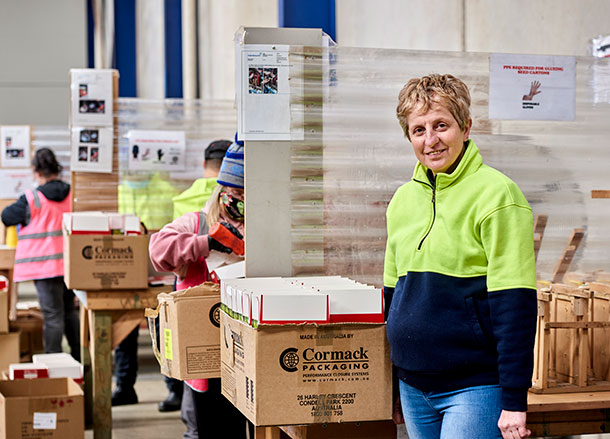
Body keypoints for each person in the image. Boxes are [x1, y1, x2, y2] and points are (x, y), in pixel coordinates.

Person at [384, 74, 537, 439]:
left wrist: (514, 400)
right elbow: (391, 298)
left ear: (466, 127)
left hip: (474, 387)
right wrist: (388, 386)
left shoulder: (498, 196)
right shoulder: (402, 200)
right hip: (412, 385)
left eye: (441, 125)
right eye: (418, 129)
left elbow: (514, 303)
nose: (431, 140)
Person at [150, 141, 251, 439]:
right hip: (205, 358)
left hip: (248, 356)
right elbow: (158, 250)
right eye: (234, 196)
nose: (239, 203)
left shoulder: (262, 227)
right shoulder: (198, 223)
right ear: (222, 194)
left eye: (247, 196)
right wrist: (205, 244)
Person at [158, 138, 232, 413]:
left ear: (204, 165)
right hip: (208, 324)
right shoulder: (205, 212)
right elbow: (161, 248)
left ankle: (173, 392)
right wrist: (207, 243)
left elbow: (165, 252)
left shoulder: (183, 196)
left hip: (193, 304)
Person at [1, 148, 80, 361]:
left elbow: (6, 216)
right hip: (71, 266)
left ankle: (54, 364)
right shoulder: (73, 194)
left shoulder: (32, 198)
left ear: (36, 171)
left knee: (53, 315)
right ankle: (79, 360)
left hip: (45, 269)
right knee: (70, 312)